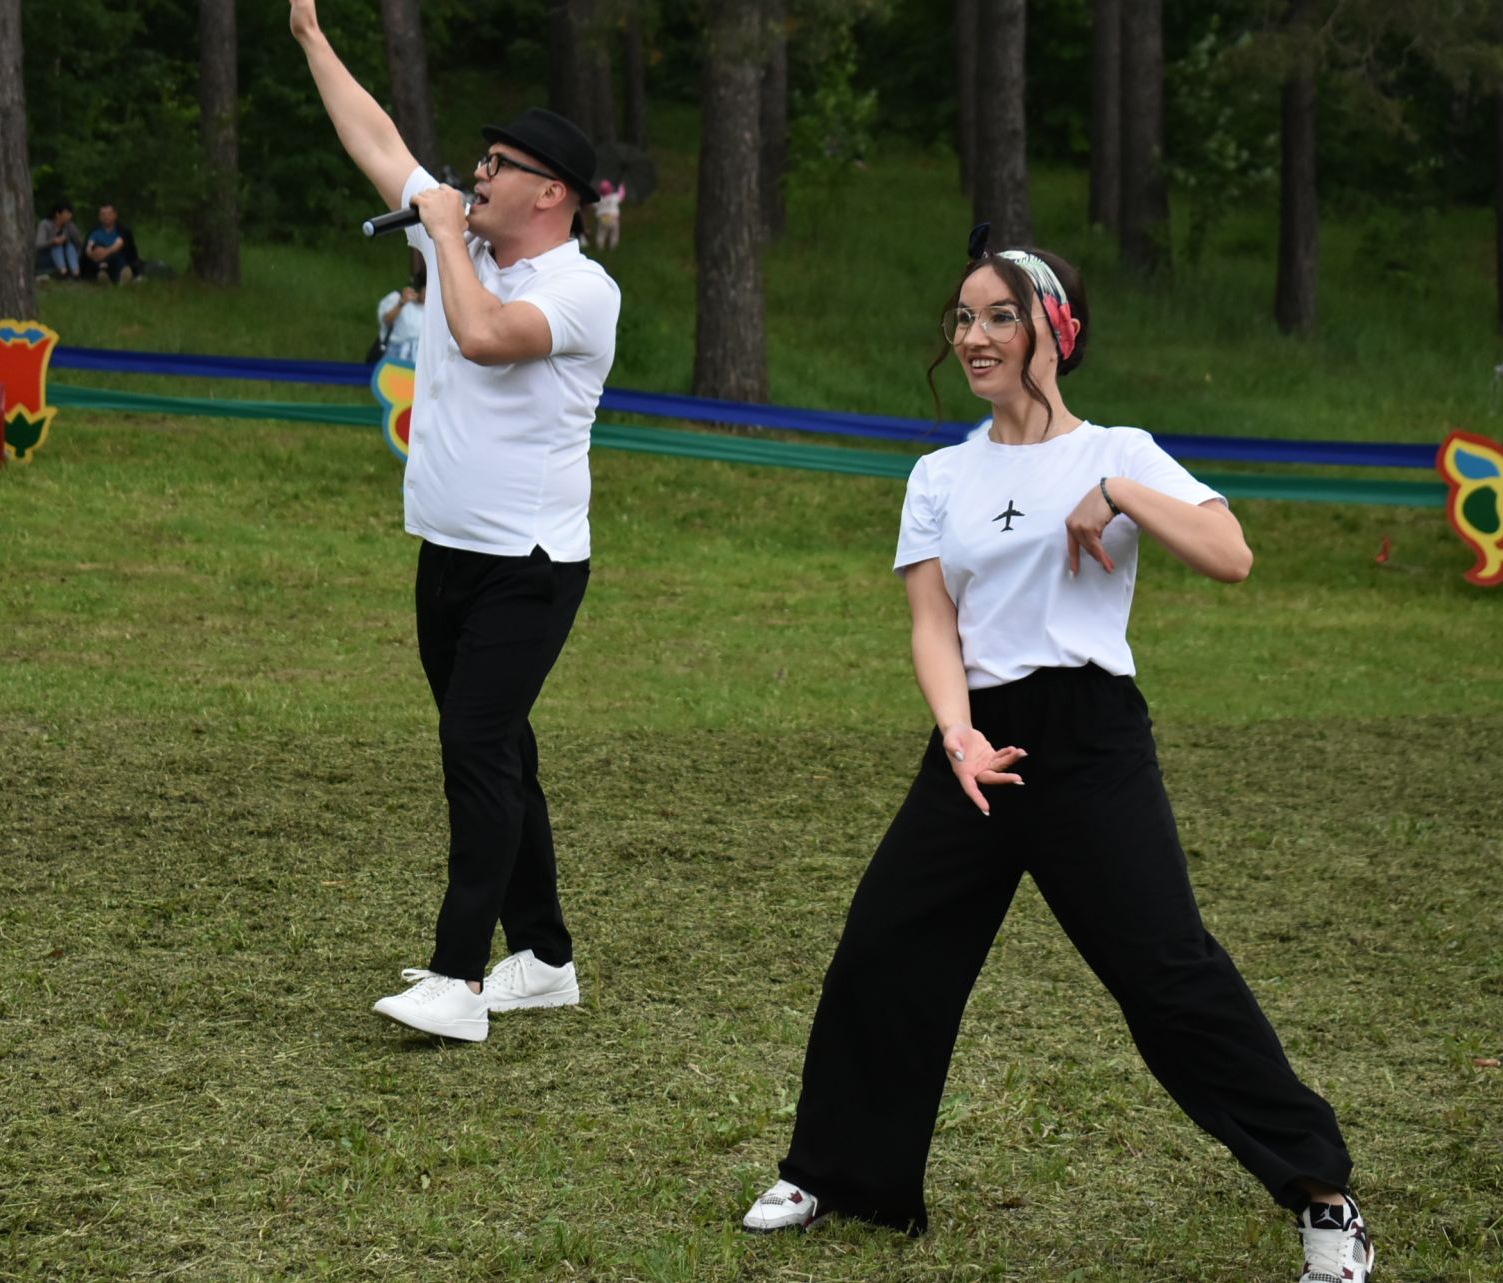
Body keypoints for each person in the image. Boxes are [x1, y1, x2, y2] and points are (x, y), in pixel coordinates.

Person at [738, 230, 1373, 1283]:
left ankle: (1323, 1193)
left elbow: (1233, 553)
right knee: (886, 947)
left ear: (1053, 332)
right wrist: (957, 736)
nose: (974, 335)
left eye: (998, 316)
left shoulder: (1118, 450)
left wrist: (1123, 496)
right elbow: (934, 621)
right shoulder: (940, 471)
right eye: (963, 317)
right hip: (975, 741)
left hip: (1091, 741)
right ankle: (840, 1172)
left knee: (1169, 975)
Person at [291, 0, 621, 1044]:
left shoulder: (582, 290)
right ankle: (546, 958)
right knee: (503, 749)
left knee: (475, 744)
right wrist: (308, 33)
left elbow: (481, 338)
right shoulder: (464, 241)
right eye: (475, 162)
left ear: (550, 193)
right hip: (449, 555)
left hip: (530, 565)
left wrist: (440, 235)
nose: (474, 177)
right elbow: (376, 135)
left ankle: (458, 978)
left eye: (496, 165)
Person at [373, 256, 426, 365]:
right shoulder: (397, 297)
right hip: (396, 352)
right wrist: (402, 303)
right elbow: (387, 321)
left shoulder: (433, 308)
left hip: (421, 356)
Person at [83, 204, 140, 284]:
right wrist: (94, 255)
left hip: (116, 257)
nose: (106, 217)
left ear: (115, 215)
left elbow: (119, 244)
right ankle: (104, 278)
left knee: (118, 258)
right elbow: (88, 248)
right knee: (101, 265)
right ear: (99, 217)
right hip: (101, 261)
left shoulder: (122, 231)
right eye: (103, 215)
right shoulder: (95, 232)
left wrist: (105, 252)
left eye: (109, 214)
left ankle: (124, 276)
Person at [35, 203, 83, 279]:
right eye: (67, 213)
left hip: (66, 255)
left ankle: (75, 272)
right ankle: (62, 271)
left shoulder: (69, 225)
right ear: (58, 214)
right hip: (47, 256)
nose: (69, 216)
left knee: (69, 245)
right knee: (57, 246)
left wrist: (70, 227)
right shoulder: (45, 224)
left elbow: (78, 242)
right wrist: (52, 241)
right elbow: (39, 244)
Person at [592, 179, 625, 252]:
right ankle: (613, 247)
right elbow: (621, 196)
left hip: (602, 218)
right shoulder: (614, 197)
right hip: (613, 217)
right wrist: (621, 187)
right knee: (614, 232)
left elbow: (593, 205)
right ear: (611, 189)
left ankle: (600, 247)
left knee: (601, 232)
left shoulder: (599, 199)